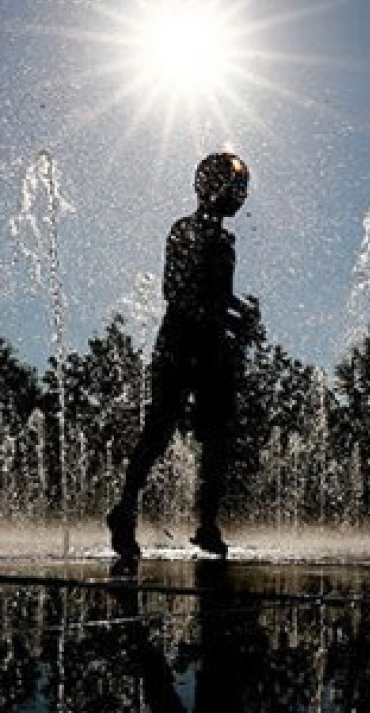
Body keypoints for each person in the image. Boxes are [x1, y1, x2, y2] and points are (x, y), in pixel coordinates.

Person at [107, 152, 257, 560]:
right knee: (159, 431)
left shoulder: (225, 241)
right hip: (180, 342)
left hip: (211, 347)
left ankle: (207, 524)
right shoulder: (185, 229)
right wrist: (219, 317)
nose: (238, 195)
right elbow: (173, 290)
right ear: (208, 187)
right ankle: (124, 512)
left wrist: (239, 314)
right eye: (233, 186)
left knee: (217, 437)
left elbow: (218, 295)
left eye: (240, 187)